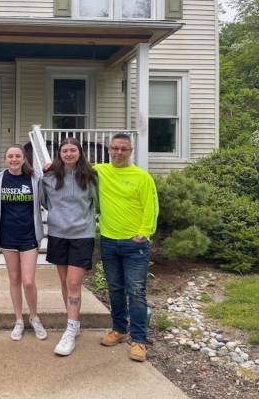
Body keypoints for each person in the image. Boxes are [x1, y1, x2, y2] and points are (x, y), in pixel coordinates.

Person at [95, 133, 159, 362]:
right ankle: (119, 330)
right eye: (115, 148)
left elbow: (151, 206)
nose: (119, 152)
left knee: (136, 292)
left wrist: (144, 232)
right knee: (115, 288)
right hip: (109, 240)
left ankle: (139, 340)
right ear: (109, 150)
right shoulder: (100, 171)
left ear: (131, 151)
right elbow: (73, 165)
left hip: (135, 244)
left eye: (124, 149)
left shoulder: (142, 177)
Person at [41, 138, 98, 356]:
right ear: (59, 154)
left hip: (82, 235)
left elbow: (97, 203)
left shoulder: (91, 177)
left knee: (74, 283)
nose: (68, 154)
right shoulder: (49, 177)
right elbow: (46, 202)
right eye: (64, 150)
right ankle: (72, 322)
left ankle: (70, 330)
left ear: (79, 153)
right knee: (65, 282)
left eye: (72, 150)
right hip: (57, 234)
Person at [0, 144, 47, 341]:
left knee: (29, 281)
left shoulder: (34, 178)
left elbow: (46, 201)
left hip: (29, 236)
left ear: (24, 159)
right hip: (7, 236)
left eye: (17, 156)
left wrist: (50, 176)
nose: (13, 159)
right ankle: (18, 320)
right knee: (14, 279)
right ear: (5, 159)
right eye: (10, 156)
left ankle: (34, 317)